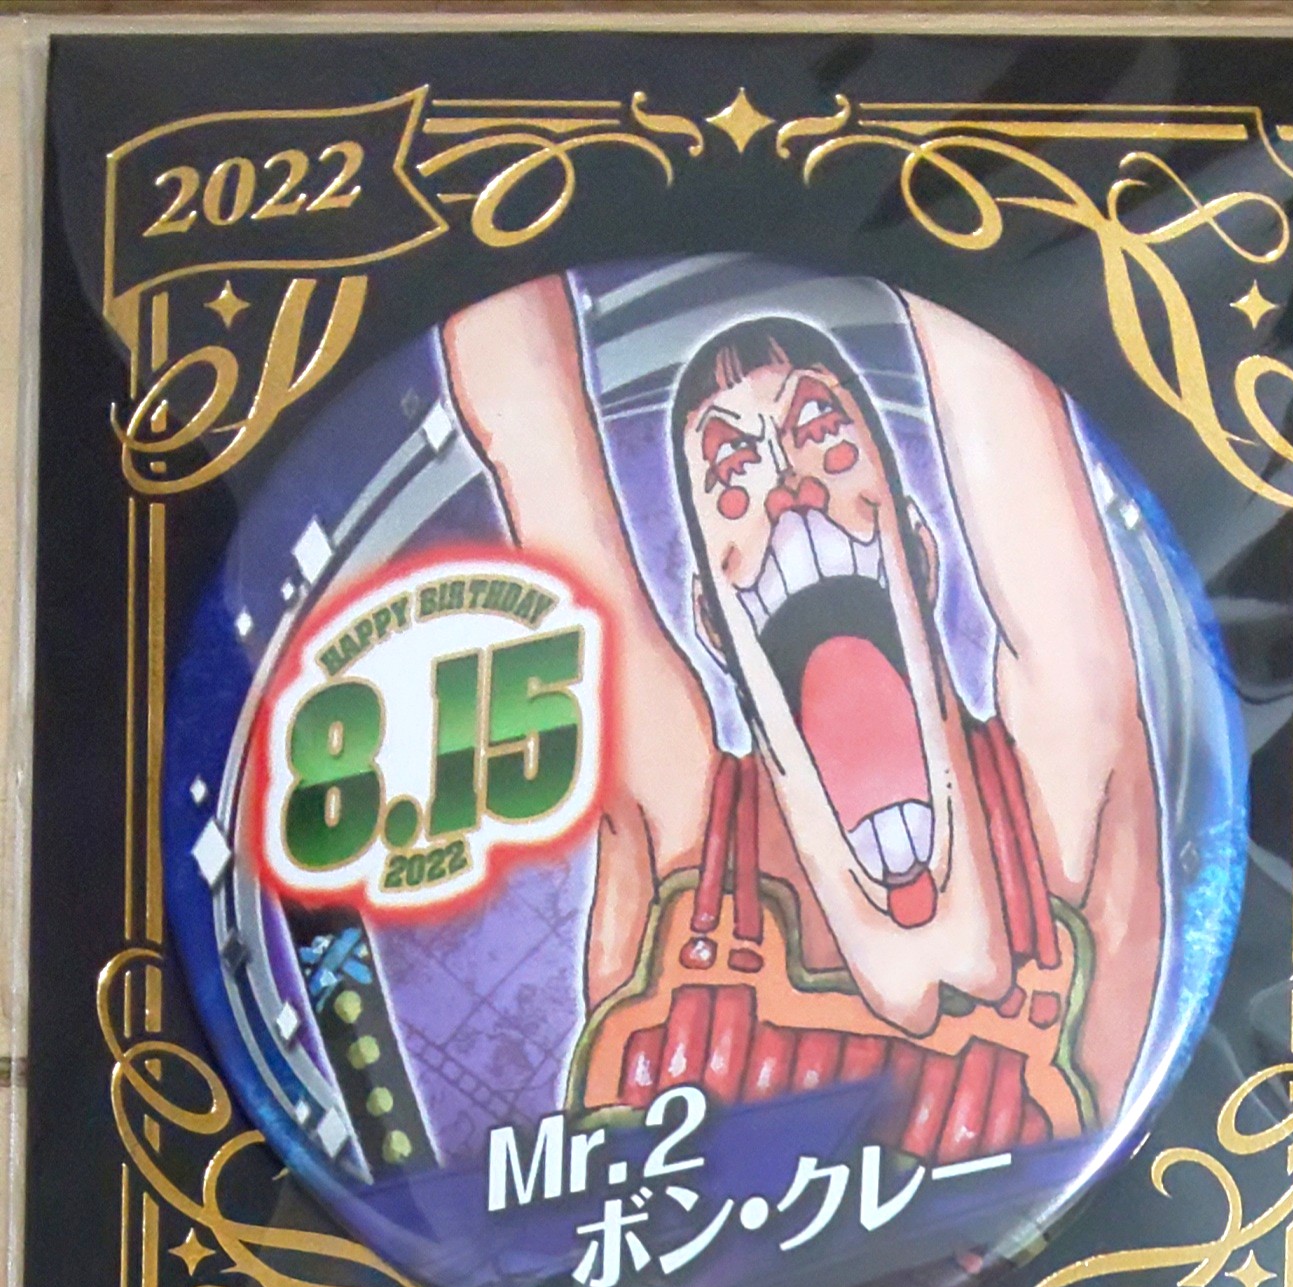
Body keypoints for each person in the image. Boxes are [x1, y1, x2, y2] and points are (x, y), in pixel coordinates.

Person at [442, 276, 1162, 1161]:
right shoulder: (690, 845)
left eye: (822, 433)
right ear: (711, 620)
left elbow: (1004, 372)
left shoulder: (1058, 800)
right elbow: (526, 421)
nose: (789, 488)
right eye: (731, 471)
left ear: (918, 545)